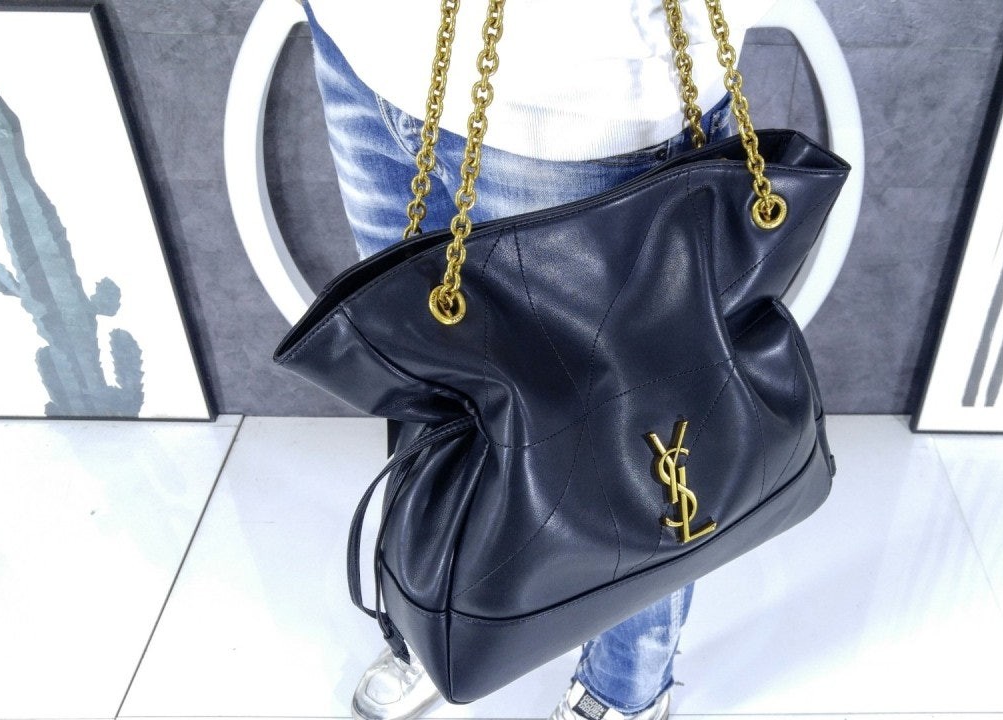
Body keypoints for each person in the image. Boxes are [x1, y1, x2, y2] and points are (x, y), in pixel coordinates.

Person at [301, 1, 776, 718]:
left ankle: (625, 687)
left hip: (579, 96)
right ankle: (429, 613)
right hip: (367, 42)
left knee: (639, 446)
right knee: (428, 392)